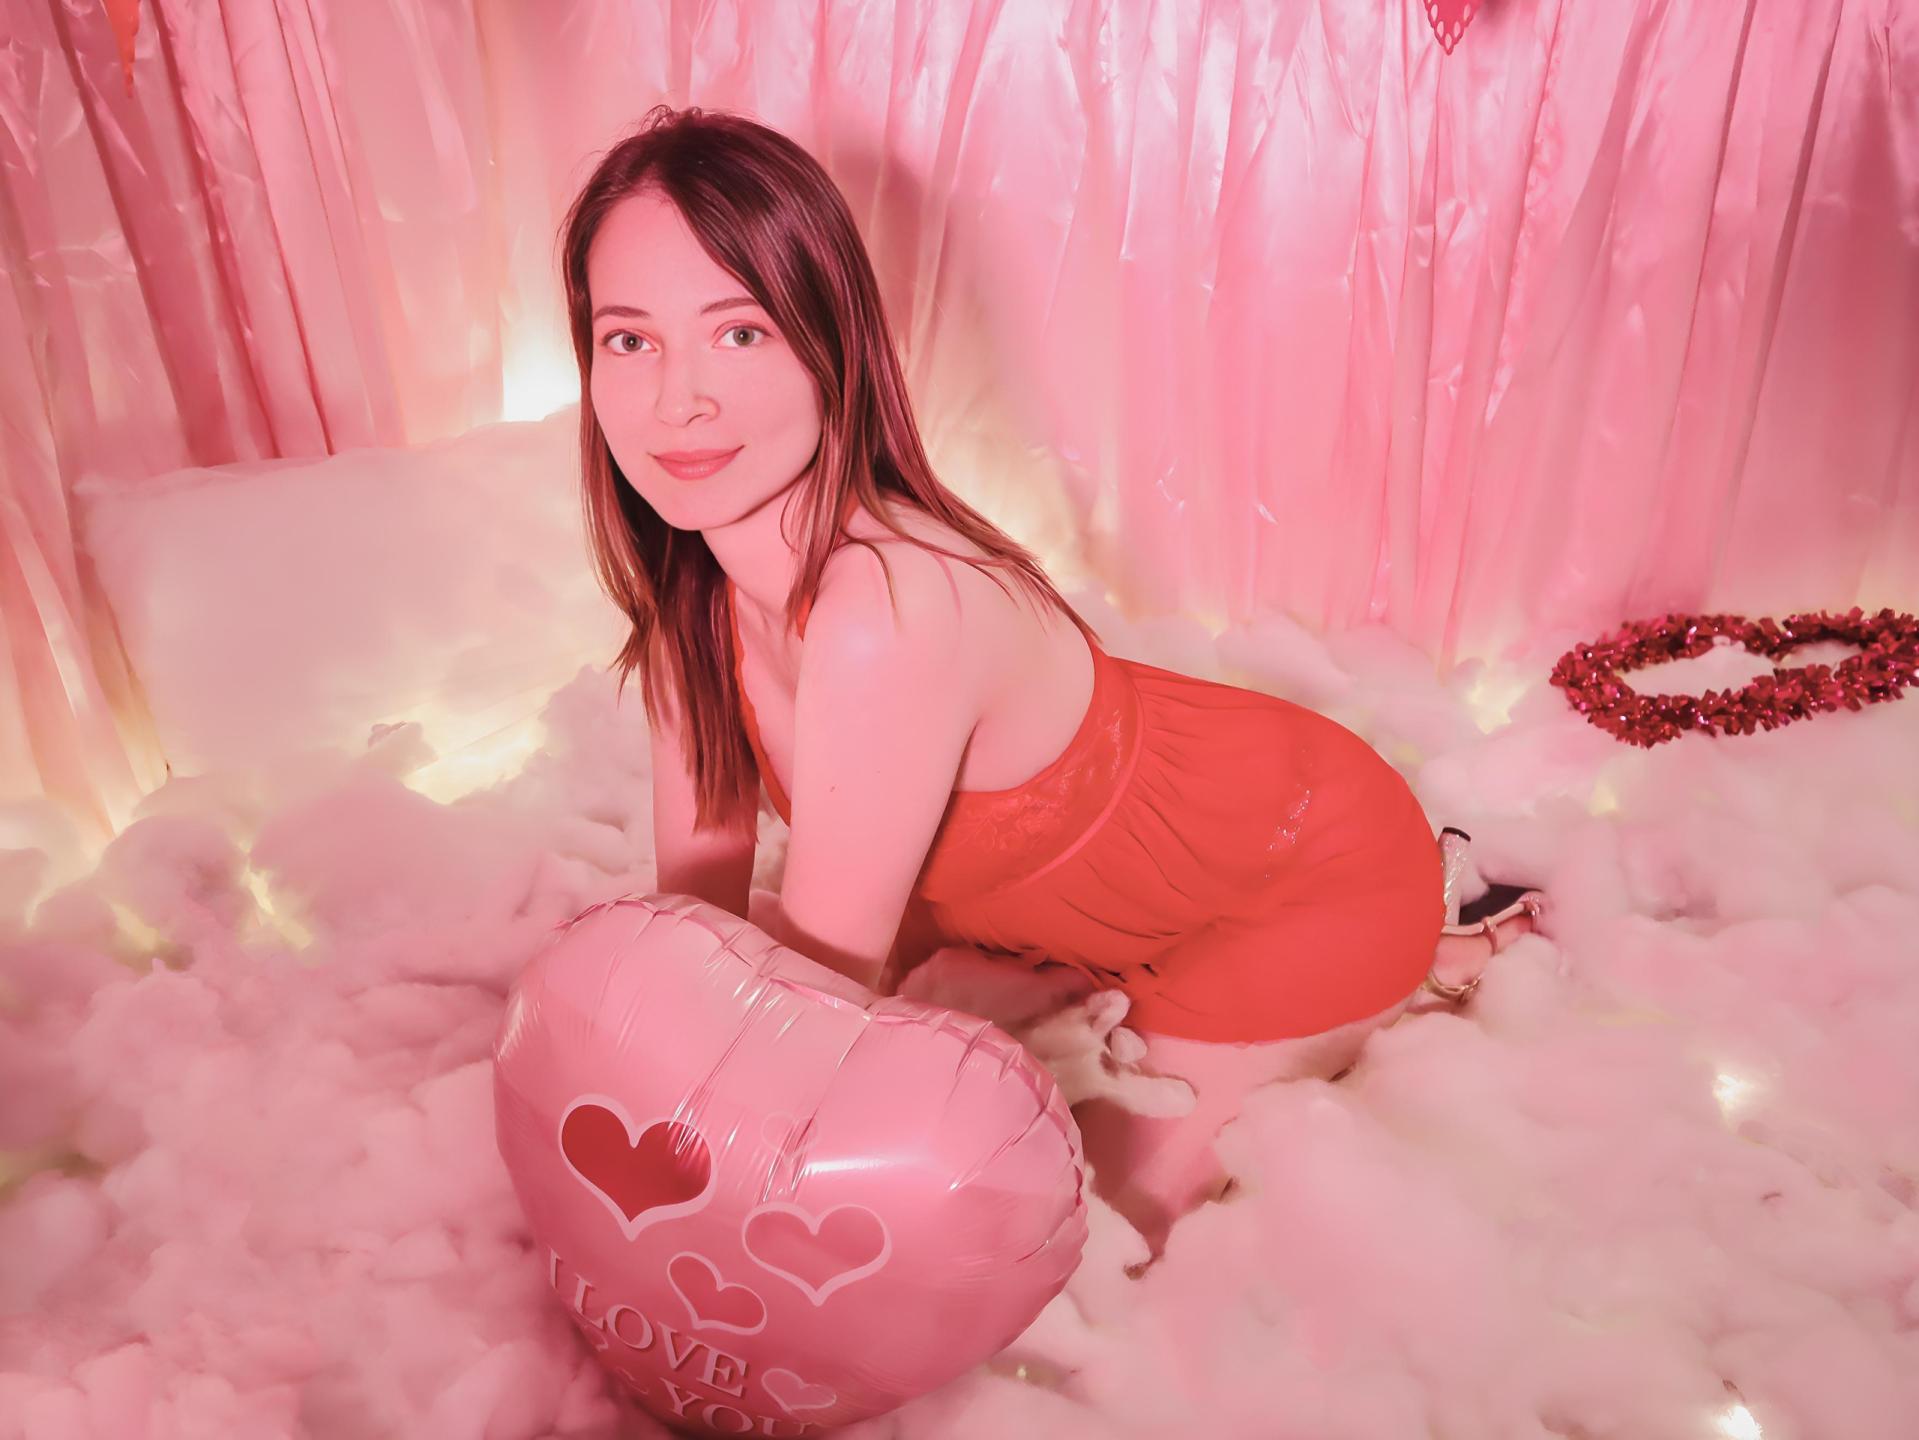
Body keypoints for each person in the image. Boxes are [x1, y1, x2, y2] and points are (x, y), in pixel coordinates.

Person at [560, 105, 1544, 1259]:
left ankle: (1429, 937)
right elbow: (698, 921)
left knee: (1056, 1239)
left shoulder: (888, 609)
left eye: (738, 333)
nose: (676, 401)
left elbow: (812, 1009)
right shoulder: (693, 595)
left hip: (1302, 878)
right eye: (629, 340)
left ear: (831, 341)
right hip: (1099, 903)